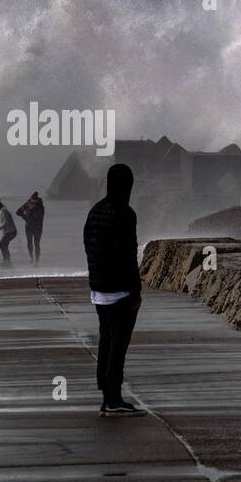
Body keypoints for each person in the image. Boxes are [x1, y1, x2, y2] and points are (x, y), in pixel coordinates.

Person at [82, 164, 145, 417]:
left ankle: (107, 396)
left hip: (98, 289)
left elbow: (88, 245)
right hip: (119, 290)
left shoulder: (95, 210)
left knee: (106, 341)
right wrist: (136, 290)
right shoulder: (125, 212)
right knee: (118, 345)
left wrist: (96, 278)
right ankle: (114, 399)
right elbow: (128, 254)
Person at [16, 192, 46, 265]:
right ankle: (31, 258)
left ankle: (37, 261)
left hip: (38, 227)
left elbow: (39, 218)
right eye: (30, 201)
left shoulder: (40, 207)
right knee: (29, 242)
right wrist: (25, 216)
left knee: (36, 244)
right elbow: (18, 212)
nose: (31, 203)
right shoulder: (27, 204)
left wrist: (31, 211)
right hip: (28, 226)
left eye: (33, 202)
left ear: (36, 201)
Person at [0, 198, 17, 266]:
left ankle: (7, 261)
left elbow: (6, 223)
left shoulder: (4, 211)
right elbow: (0, 223)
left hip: (11, 231)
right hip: (7, 232)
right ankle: (7, 261)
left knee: (1, 244)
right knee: (3, 245)